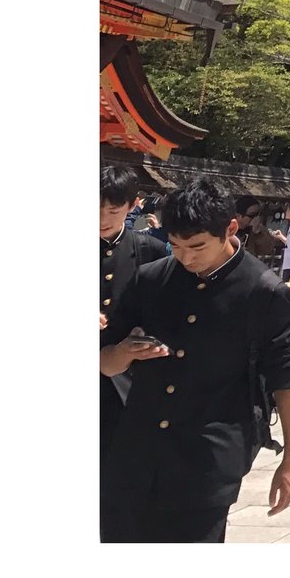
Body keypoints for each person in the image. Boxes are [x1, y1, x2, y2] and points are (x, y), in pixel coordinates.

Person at [99, 177, 290, 542]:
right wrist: (123, 354)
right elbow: (105, 362)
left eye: (197, 246)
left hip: (207, 459)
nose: (186, 258)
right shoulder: (150, 280)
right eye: (176, 246)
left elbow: (286, 378)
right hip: (135, 455)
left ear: (229, 228)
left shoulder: (261, 291)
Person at [101, 165, 171, 448]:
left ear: (132, 206)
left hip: (129, 382)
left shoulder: (150, 251)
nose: (102, 218)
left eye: (113, 210)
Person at [234, 195, 284, 267]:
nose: (255, 218)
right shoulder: (226, 228)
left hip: (247, 269)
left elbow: (267, 249)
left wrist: (258, 233)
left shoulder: (259, 229)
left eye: (258, 214)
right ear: (239, 216)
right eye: (252, 215)